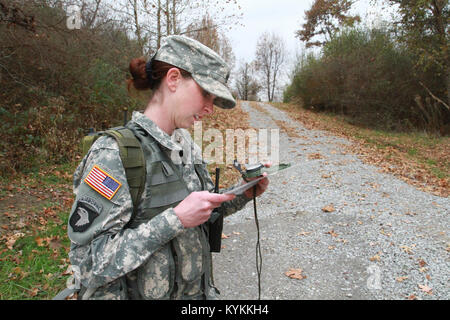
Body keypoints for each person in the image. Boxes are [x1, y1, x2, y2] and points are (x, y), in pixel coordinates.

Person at [66, 35, 269, 300]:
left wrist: (244, 193)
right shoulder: (114, 154)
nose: (210, 108)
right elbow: (87, 266)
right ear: (173, 79)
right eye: (205, 93)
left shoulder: (185, 144)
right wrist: (174, 220)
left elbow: (202, 212)